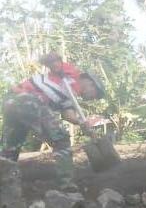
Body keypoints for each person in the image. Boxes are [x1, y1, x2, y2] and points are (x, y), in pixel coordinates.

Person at [1, 53, 104, 191]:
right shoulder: (71, 74)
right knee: (61, 139)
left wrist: (82, 123)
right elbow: (50, 59)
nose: (92, 98)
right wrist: (54, 63)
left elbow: (68, 115)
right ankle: (68, 186)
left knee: (10, 148)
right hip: (26, 99)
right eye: (95, 95)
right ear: (90, 83)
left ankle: (4, 185)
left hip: (12, 102)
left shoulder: (70, 96)